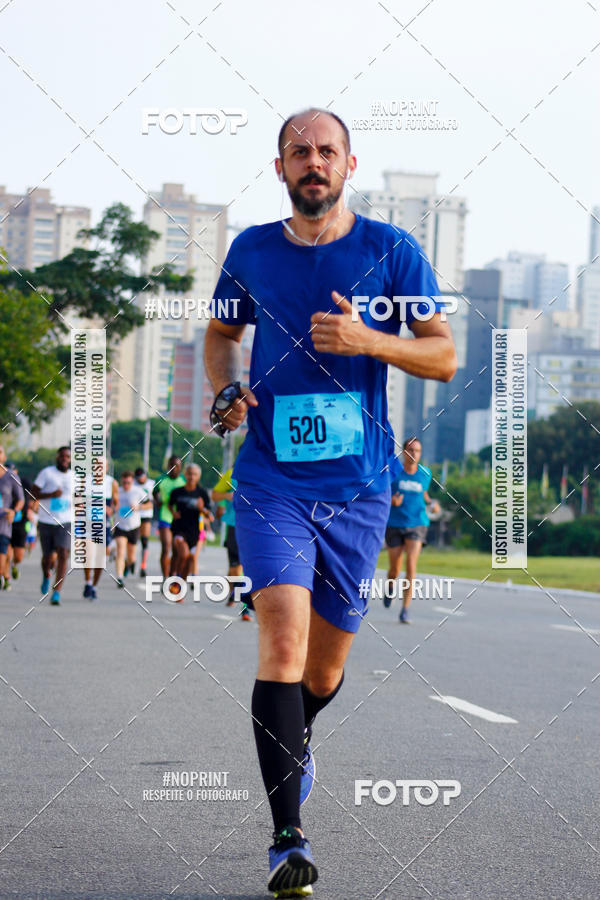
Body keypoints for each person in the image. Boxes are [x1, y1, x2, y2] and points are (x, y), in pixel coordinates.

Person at [203, 107, 456, 896]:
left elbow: (444, 356)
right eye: (298, 152)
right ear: (279, 167)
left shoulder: (393, 251)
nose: (313, 162)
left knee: (322, 669)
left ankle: (296, 738)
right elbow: (219, 336)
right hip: (272, 477)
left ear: (350, 165)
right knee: (280, 638)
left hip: (358, 488)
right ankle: (288, 841)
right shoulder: (251, 250)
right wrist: (226, 390)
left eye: (327, 151)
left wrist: (370, 341)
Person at [384, 437, 440, 623]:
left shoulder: (425, 473)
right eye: (411, 450)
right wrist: (393, 501)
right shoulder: (394, 471)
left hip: (417, 523)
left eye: (417, 450)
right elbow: (383, 493)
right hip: (394, 523)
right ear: (404, 452)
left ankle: (405, 609)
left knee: (411, 566)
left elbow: (423, 493)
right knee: (395, 568)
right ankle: (390, 586)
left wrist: (432, 504)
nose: (414, 454)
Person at [33, 446, 73, 605]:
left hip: (65, 521)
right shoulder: (46, 473)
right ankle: (46, 574)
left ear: (70, 460)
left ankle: (56, 592)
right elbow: (33, 493)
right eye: (62, 456)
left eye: (67, 457)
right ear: (57, 457)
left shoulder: (75, 477)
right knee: (48, 557)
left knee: (63, 553)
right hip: (46, 520)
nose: (64, 459)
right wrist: (50, 495)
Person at [212, 466, 252, 622]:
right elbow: (215, 495)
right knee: (236, 567)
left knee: (242, 567)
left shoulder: (264, 470)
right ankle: (244, 606)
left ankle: (235, 593)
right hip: (234, 524)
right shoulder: (231, 474)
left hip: (255, 527)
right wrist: (227, 496)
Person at [169, 464, 212, 596]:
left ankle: (179, 584)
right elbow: (170, 505)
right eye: (189, 473)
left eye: (194, 474)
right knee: (184, 554)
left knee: (190, 558)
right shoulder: (177, 491)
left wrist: (202, 509)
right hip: (179, 529)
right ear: (185, 474)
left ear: (198, 476)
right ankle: (175, 580)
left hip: (195, 531)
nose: (191, 477)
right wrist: (173, 513)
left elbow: (210, 516)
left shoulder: (202, 493)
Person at [83, 458, 118, 601]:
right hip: (87, 522)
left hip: (103, 523)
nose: (98, 467)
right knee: (89, 554)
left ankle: (94, 586)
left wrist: (111, 509)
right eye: (96, 465)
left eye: (101, 465)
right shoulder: (85, 480)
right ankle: (88, 582)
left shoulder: (111, 483)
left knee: (101, 556)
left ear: (107, 467)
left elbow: (116, 504)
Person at [113, 471, 151, 588]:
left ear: (132, 482)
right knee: (120, 550)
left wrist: (139, 507)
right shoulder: (117, 492)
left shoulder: (138, 492)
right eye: (124, 482)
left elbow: (150, 505)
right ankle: (119, 577)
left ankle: (129, 564)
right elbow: (110, 504)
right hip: (120, 526)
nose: (126, 485)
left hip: (134, 527)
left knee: (131, 556)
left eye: (128, 482)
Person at [153, 456, 185, 579]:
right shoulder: (161, 479)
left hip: (179, 517)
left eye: (177, 466)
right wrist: (157, 501)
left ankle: (173, 574)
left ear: (180, 467)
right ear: (168, 466)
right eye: (172, 465)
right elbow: (154, 491)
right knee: (166, 547)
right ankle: (165, 578)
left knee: (176, 550)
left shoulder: (183, 480)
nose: (174, 468)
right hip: (165, 514)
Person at [5, 463, 33, 589]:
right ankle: (6, 578)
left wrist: (32, 509)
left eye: (13, 470)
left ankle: (14, 566)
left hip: (21, 523)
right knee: (6, 553)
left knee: (18, 556)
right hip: (5, 522)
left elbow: (34, 497)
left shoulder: (25, 483)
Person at [0, 449, 24, 592]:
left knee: (3, 554)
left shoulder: (11, 477)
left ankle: (4, 575)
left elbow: (21, 499)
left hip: (4, 524)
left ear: (3, 456)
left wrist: (14, 511)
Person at [135, 467, 155, 577]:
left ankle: (143, 565)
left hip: (146, 514)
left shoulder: (151, 484)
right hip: (134, 515)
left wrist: (141, 507)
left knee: (144, 540)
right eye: (138, 478)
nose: (140, 480)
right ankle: (130, 561)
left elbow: (152, 502)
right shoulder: (132, 484)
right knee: (132, 541)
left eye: (142, 477)